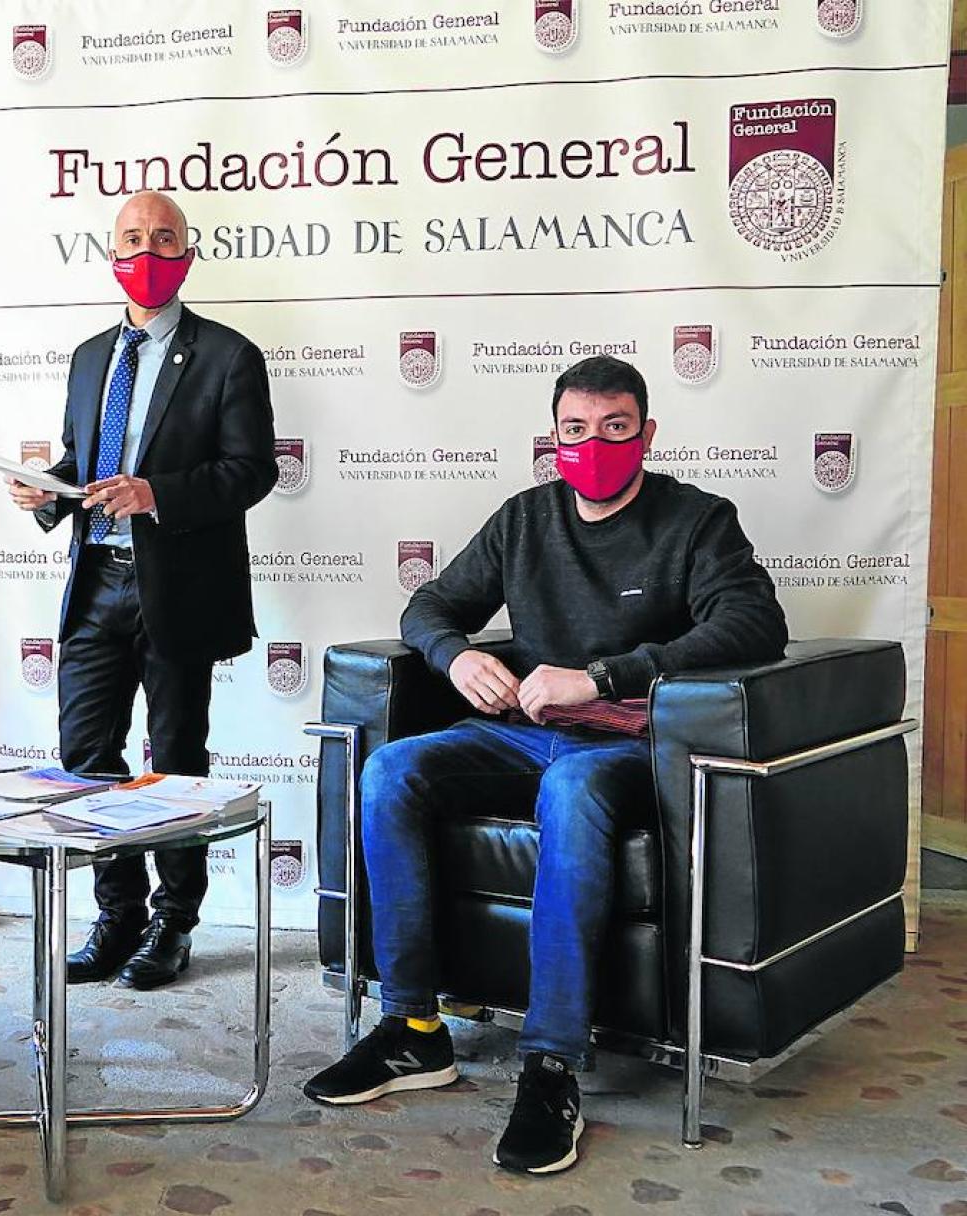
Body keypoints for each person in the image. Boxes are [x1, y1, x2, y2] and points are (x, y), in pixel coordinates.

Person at [300, 356, 787, 1175]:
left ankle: (550, 1063)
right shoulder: (525, 519)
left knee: (572, 786)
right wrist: (456, 657)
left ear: (647, 434)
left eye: (615, 428)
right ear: (553, 438)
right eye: (575, 429)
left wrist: (605, 676)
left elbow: (754, 623)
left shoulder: (698, 520)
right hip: (523, 732)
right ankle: (413, 1029)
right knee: (391, 772)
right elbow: (430, 606)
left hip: (628, 744)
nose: (593, 445)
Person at [6, 190, 277, 990]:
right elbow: (84, 464)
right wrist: (48, 489)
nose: (147, 252)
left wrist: (156, 493)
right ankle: (116, 914)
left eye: (163, 238)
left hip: (178, 588)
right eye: (132, 238)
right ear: (111, 253)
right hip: (96, 580)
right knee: (86, 758)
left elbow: (251, 471)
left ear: (187, 254)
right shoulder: (90, 356)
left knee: (177, 762)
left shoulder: (228, 355)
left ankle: (174, 922)